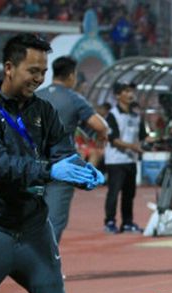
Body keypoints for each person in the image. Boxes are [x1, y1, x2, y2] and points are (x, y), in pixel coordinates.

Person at [0, 33, 104, 293]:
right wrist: (52, 170)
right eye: (32, 70)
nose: (38, 78)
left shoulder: (44, 111)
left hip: (35, 230)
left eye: (43, 71)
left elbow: (64, 155)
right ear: (9, 67)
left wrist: (83, 173)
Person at [37, 55, 109, 242]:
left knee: (31, 219)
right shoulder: (74, 98)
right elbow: (99, 126)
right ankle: (48, 266)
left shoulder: (36, 95)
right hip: (61, 166)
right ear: (71, 75)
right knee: (55, 220)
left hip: (34, 166)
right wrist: (101, 138)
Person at [104, 82, 148, 234]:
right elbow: (113, 139)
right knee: (114, 192)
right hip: (116, 160)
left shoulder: (136, 116)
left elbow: (143, 137)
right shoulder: (112, 115)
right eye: (126, 91)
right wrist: (133, 147)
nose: (130, 94)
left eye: (131, 91)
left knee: (129, 194)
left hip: (131, 160)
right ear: (117, 95)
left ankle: (127, 222)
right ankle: (109, 222)